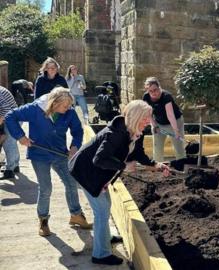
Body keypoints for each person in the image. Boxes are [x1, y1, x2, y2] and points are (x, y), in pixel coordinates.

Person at [68, 100, 170, 265]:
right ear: (136, 116)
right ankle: (101, 254)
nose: (148, 121)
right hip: (86, 172)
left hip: (98, 173)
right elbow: (99, 159)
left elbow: (138, 153)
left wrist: (156, 165)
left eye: (149, 118)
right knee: (101, 211)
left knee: (105, 205)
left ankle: (106, 238)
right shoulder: (115, 133)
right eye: (145, 118)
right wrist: (124, 166)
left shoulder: (136, 131)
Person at [5, 87, 92, 237]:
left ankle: (76, 215)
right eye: (65, 106)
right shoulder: (35, 109)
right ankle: (43, 220)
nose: (68, 109)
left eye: (69, 106)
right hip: (39, 155)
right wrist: (20, 136)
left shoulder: (69, 112)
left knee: (71, 183)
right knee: (46, 188)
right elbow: (10, 116)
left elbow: (77, 130)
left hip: (60, 154)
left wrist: (74, 146)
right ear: (55, 103)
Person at [143, 77, 186, 161]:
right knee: (157, 147)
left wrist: (176, 131)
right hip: (158, 123)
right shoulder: (146, 97)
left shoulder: (166, 96)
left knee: (179, 148)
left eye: (155, 90)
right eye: (150, 91)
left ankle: (182, 166)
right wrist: (154, 126)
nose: (153, 93)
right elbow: (148, 113)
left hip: (174, 122)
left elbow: (170, 115)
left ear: (159, 87)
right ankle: (158, 166)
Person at [0, 85, 20, 179]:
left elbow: (6, 112)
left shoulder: (0, 93)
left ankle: (9, 170)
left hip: (12, 118)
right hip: (9, 117)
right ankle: (15, 165)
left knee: (9, 143)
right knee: (12, 143)